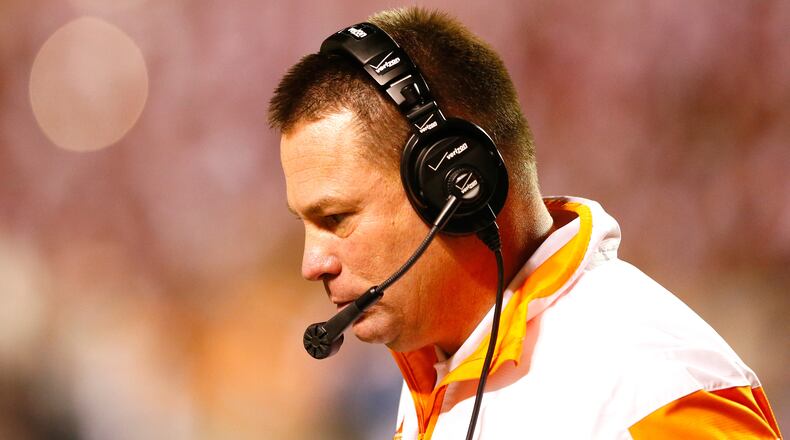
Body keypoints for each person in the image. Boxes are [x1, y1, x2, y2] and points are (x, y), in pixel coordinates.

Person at [268, 7, 782, 440]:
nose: (312, 264)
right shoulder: (442, 364)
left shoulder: (657, 389)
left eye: (335, 218)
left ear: (456, 184)